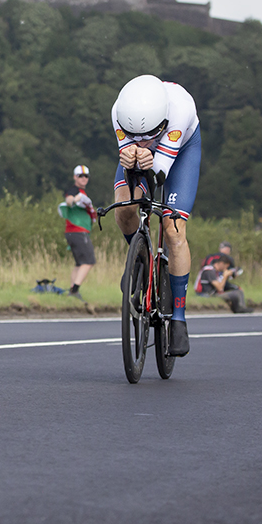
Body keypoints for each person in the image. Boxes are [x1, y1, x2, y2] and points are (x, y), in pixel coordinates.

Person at [111, 75, 201, 356]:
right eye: (133, 134)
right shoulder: (118, 112)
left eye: (147, 134)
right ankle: (141, 259)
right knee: (125, 207)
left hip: (180, 150)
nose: (141, 141)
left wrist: (147, 160)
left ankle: (178, 318)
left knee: (173, 229)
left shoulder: (180, 110)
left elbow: (159, 174)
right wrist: (130, 154)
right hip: (144, 155)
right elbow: (131, 161)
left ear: (161, 124)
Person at [58, 165, 96, 302]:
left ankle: (71, 293)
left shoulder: (82, 192)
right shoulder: (75, 190)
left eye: (86, 176)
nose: (84, 178)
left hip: (73, 232)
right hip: (78, 232)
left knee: (79, 263)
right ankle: (74, 291)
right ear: (75, 177)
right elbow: (68, 200)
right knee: (88, 261)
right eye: (81, 176)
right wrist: (74, 200)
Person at [195, 243, 251, 313]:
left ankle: (239, 308)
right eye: (226, 267)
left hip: (211, 293)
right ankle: (240, 308)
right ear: (221, 263)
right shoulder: (209, 271)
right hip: (206, 294)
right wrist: (225, 276)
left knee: (237, 291)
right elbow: (220, 288)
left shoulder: (215, 271)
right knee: (237, 293)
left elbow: (223, 285)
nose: (226, 269)